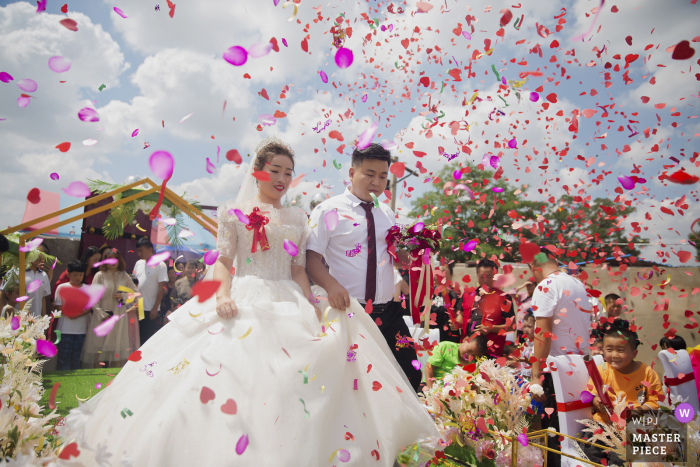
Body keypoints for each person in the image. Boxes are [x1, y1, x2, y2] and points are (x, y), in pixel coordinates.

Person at [61, 137, 440, 465]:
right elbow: (225, 261)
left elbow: (296, 268)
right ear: (258, 171)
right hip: (245, 293)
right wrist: (223, 294)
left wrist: (309, 300)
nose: (281, 179)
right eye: (275, 170)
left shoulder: (296, 216)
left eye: (288, 173)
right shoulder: (233, 213)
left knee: (294, 379)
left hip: (287, 297)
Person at [306, 143, 423, 391]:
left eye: (382, 176)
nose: (376, 182)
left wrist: (417, 249)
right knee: (355, 385)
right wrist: (331, 285)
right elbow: (310, 259)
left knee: (411, 373)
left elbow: (400, 258)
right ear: (351, 173)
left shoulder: (387, 214)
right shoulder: (328, 210)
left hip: (389, 312)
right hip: (350, 311)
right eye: (369, 174)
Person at [526, 249, 591, 467]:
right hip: (580, 368)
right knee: (576, 439)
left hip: (555, 373)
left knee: (553, 441)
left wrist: (535, 376)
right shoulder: (577, 284)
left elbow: (542, 332)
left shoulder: (546, 285)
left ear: (534, 267)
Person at [582, 322, 663, 465]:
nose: (614, 355)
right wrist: (597, 402)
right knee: (589, 449)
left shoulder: (646, 372)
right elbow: (592, 394)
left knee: (622, 456)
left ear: (634, 353)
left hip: (631, 426)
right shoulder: (602, 369)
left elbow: (654, 402)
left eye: (620, 350)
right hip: (603, 424)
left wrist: (636, 411)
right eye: (609, 349)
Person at [82, 248, 140, 368]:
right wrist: (101, 314)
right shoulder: (100, 275)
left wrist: (123, 296)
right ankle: (96, 380)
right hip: (102, 316)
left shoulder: (124, 275)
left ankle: (113, 382)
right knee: (98, 348)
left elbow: (135, 293)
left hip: (118, 316)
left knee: (116, 348)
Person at [462, 259, 515, 357]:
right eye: (482, 277)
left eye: (490, 277)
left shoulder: (504, 298)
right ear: (477, 275)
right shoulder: (468, 295)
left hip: (491, 351)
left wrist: (490, 328)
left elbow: (512, 327)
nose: (485, 280)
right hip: (468, 349)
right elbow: (462, 318)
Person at [54, 260, 92, 371]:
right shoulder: (62, 287)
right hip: (65, 329)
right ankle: (62, 376)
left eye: (80, 275)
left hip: (81, 330)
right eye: (75, 275)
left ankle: (76, 377)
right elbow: (58, 305)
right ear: (68, 274)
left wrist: (78, 314)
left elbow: (89, 308)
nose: (78, 277)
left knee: (77, 356)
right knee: (64, 356)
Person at [134, 238, 168, 344]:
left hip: (150, 309)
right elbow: (134, 284)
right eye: (137, 251)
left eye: (141, 250)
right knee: (135, 338)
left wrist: (155, 308)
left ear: (150, 249)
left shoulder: (161, 265)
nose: (139, 253)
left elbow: (161, 288)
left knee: (146, 339)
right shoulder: (138, 263)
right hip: (137, 307)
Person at [433, 263, 463, 344]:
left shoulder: (456, 293)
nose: (441, 274)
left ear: (451, 274)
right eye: (439, 271)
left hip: (448, 337)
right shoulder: (430, 291)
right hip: (432, 336)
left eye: (444, 271)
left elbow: (459, 314)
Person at [24, 245, 52, 317]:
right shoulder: (18, 272)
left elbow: (43, 299)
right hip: (18, 320)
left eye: (42, 253)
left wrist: (43, 320)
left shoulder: (43, 275)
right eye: (35, 252)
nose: (39, 255)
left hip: (36, 320)